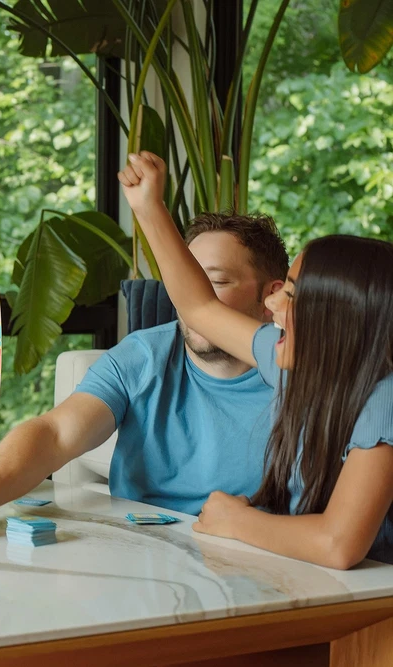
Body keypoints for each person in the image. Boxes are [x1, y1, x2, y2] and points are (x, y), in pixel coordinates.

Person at [0, 211, 288, 541]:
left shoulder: (304, 379)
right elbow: (55, 433)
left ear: (272, 296)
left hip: (256, 556)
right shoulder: (144, 355)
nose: (191, 300)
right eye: (184, 283)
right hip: (140, 556)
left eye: (212, 283)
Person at [116, 152, 393, 569]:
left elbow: (338, 544)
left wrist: (236, 521)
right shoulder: (298, 360)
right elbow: (199, 308)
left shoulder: (384, 401)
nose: (272, 303)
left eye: (293, 295)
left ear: (338, 317)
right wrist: (148, 207)